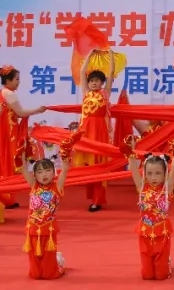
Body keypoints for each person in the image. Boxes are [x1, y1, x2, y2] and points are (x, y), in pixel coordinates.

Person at [0, 66, 48, 205]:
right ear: (8, 80)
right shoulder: (9, 93)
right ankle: (38, 194)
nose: (19, 82)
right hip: (9, 133)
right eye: (17, 79)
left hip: (7, 131)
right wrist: (38, 110)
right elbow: (21, 112)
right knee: (20, 163)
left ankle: (7, 198)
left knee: (11, 164)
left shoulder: (4, 92)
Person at [129, 152, 174, 280]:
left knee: (161, 276)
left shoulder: (167, 189)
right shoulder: (142, 188)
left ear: (165, 174)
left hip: (162, 233)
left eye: (158, 173)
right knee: (147, 275)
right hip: (144, 233)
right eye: (149, 173)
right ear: (145, 174)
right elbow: (134, 171)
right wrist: (129, 155)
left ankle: (166, 261)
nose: (153, 177)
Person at [75, 51, 115, 212]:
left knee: (99, 166)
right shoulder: (86, 93)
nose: (93, 83)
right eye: (91, 81)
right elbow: (81, 72)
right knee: (89, 167)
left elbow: (111, 73)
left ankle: (97, 200)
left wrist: (110, 55)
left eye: (96, 81)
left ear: (101, 83)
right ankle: (92, 198)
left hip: (100, 133)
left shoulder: (105, 93)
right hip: (86, 133)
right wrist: (90, 55)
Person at [22, 149, 69, 280]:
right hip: (32, 229)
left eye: (48, 170)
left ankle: (58, 262)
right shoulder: (34, 186)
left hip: (48, 229)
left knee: (49, 273)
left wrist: (65, 162)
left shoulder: (57, 187)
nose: (44, 174)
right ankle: (50, 263)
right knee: (35, 274)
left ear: (53, 172)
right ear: (35, 175)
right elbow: (23, 170)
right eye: (40, 172)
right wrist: (22, 153)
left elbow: (64, 171)